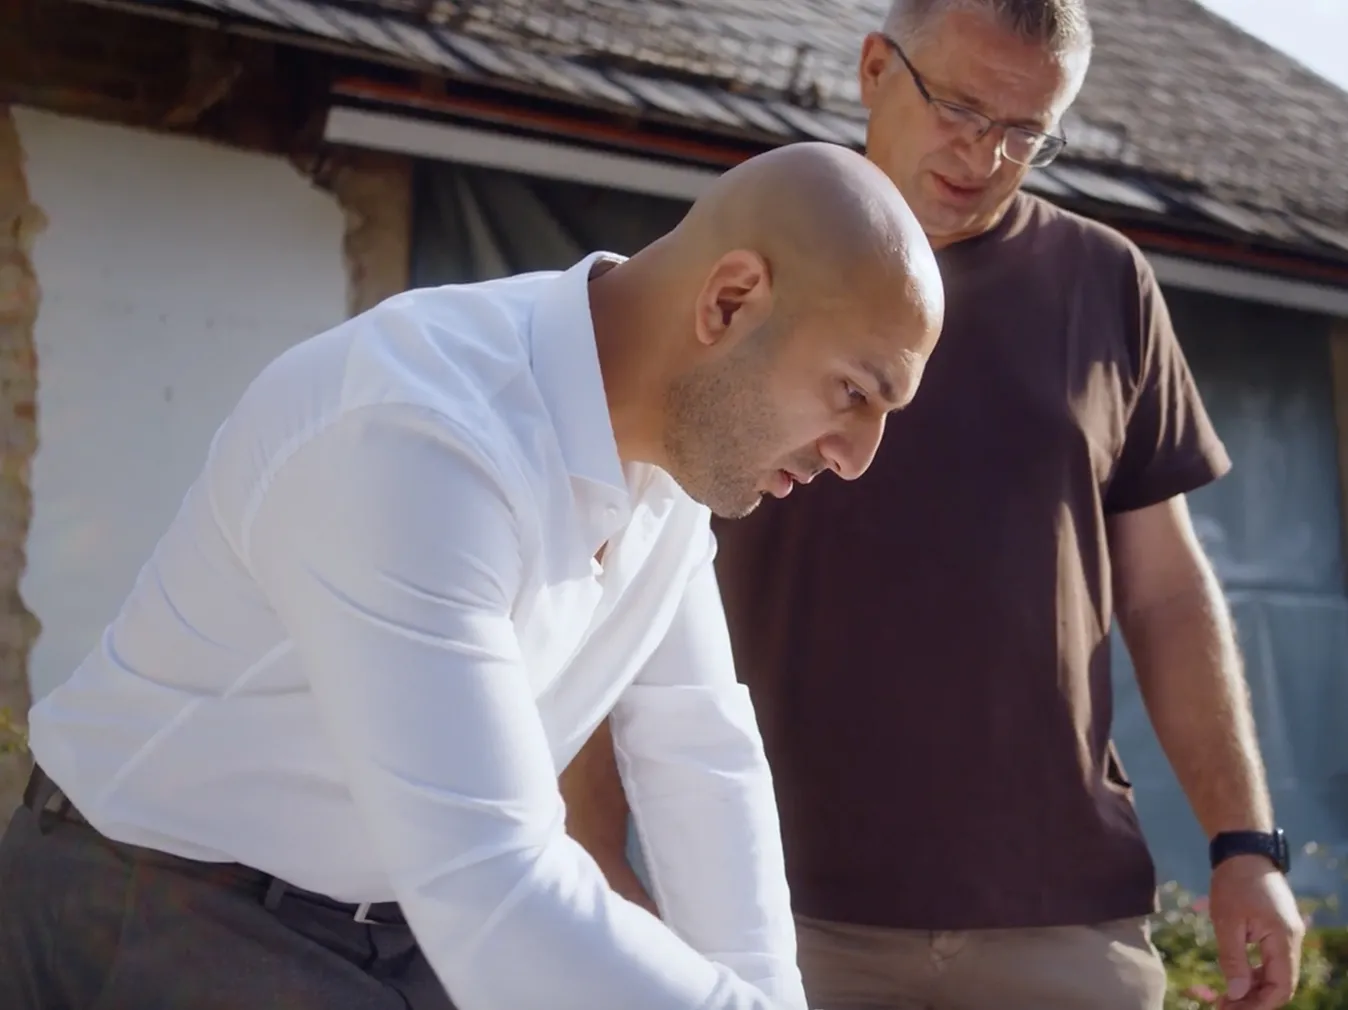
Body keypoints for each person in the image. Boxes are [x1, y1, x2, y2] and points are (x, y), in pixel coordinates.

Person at [0, 141, 944, 1010]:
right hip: (158, 907)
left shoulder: (669, 461)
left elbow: (699, 752)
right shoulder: (418, 436)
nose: (859, 456)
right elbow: (499, 885)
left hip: (396, 926)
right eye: (854, 393)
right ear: (729, 302)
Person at [561, 3, 1307, 1010]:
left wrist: (1246, 844)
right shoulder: (739, 257)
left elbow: (1169, 593)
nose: (983, 153)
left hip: (1060, 916)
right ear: (876, 69)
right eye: (957, 104)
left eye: (1023, 131)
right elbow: (612, 563)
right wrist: (593, 850)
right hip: (776, 911)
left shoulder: (1105, 283)